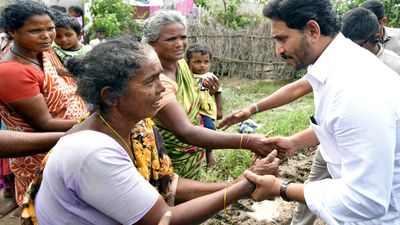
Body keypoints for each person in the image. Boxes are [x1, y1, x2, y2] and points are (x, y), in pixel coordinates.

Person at [34, 37, 280, 225]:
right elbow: (163, 219)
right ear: (110, 95)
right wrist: (244, 187)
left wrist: (237, 183)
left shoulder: (137, 127)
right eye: (150, 81)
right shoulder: (93, 153)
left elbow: (168, 185)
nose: (162, 88)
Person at [241, 0, 400, 224]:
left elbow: (366, 200)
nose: (278, 50)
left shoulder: (356, 88)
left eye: (282, 39)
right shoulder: (333, 68)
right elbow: (341, 125)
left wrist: (281, 187)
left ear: (313, 30)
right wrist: (295, 143)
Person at [143, 10, 275, 179]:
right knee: (173, 197)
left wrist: (210, 93)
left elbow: (192, 97)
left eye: (183, 37)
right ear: (152, 44)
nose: (180, 44)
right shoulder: (158, 83)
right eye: (171, 39)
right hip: (171, 159)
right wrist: (246, 141)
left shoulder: (181, 64)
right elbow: (185, 131)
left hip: (193, 155)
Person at [0, 0, 88, 205]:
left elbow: (52, 74)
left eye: (50, 28)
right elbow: (44, 124)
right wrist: (98, 122)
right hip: (42, 157)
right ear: (13, 31)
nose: (47, 35)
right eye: (35, 30)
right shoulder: (12, 72)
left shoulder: (41, 52)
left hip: (67, 146)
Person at [186, 43, 223, 168]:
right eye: (197, 62)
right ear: (188, 62)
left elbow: (218, 93)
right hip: (191, 109)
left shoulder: (211, 77)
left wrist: (220, 110)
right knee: (191, 133)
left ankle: (209, 154)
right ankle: (194, 158)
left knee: (209, 130)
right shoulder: (188, 77)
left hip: (205, 110)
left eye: (206, 62)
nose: (202, 65)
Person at [342, 7, 400, 74]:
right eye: (346, 44)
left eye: (357, 45)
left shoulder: (395, 66)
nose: (350, 50)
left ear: (376, 38)